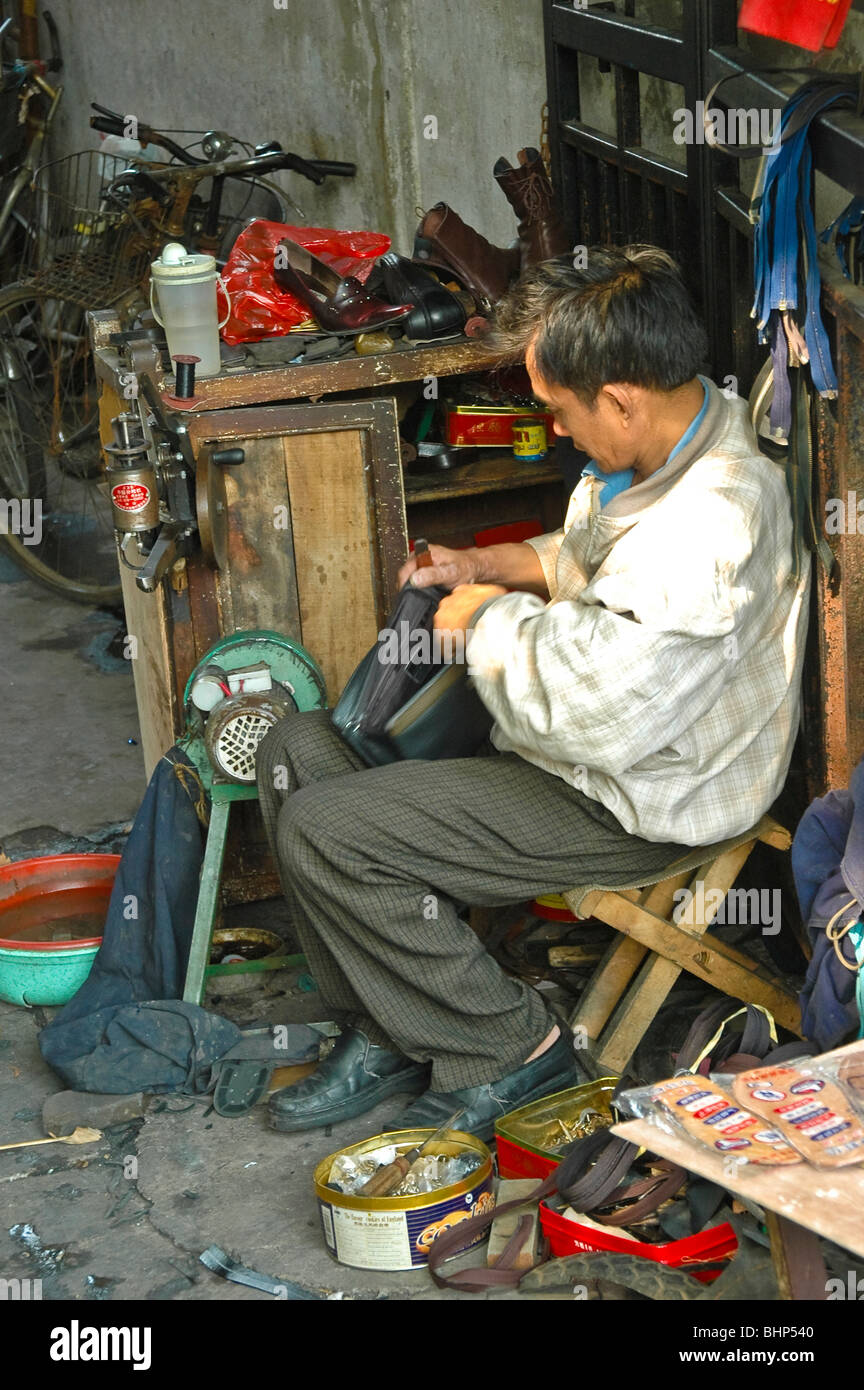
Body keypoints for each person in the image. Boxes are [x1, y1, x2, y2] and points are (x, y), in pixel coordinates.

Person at [256, 245, 810, 1141]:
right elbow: (586, 552)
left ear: (620, 399)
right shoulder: (671, 432)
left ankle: (512, 1047)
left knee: (330, 832)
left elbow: (603, 710)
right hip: (567, 749)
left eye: (557, 411)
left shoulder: (714, 524)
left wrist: (483, 622)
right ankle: (391, 1023)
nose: (553, 430)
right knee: (293, 756)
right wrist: (487, 566)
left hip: (634, 793)